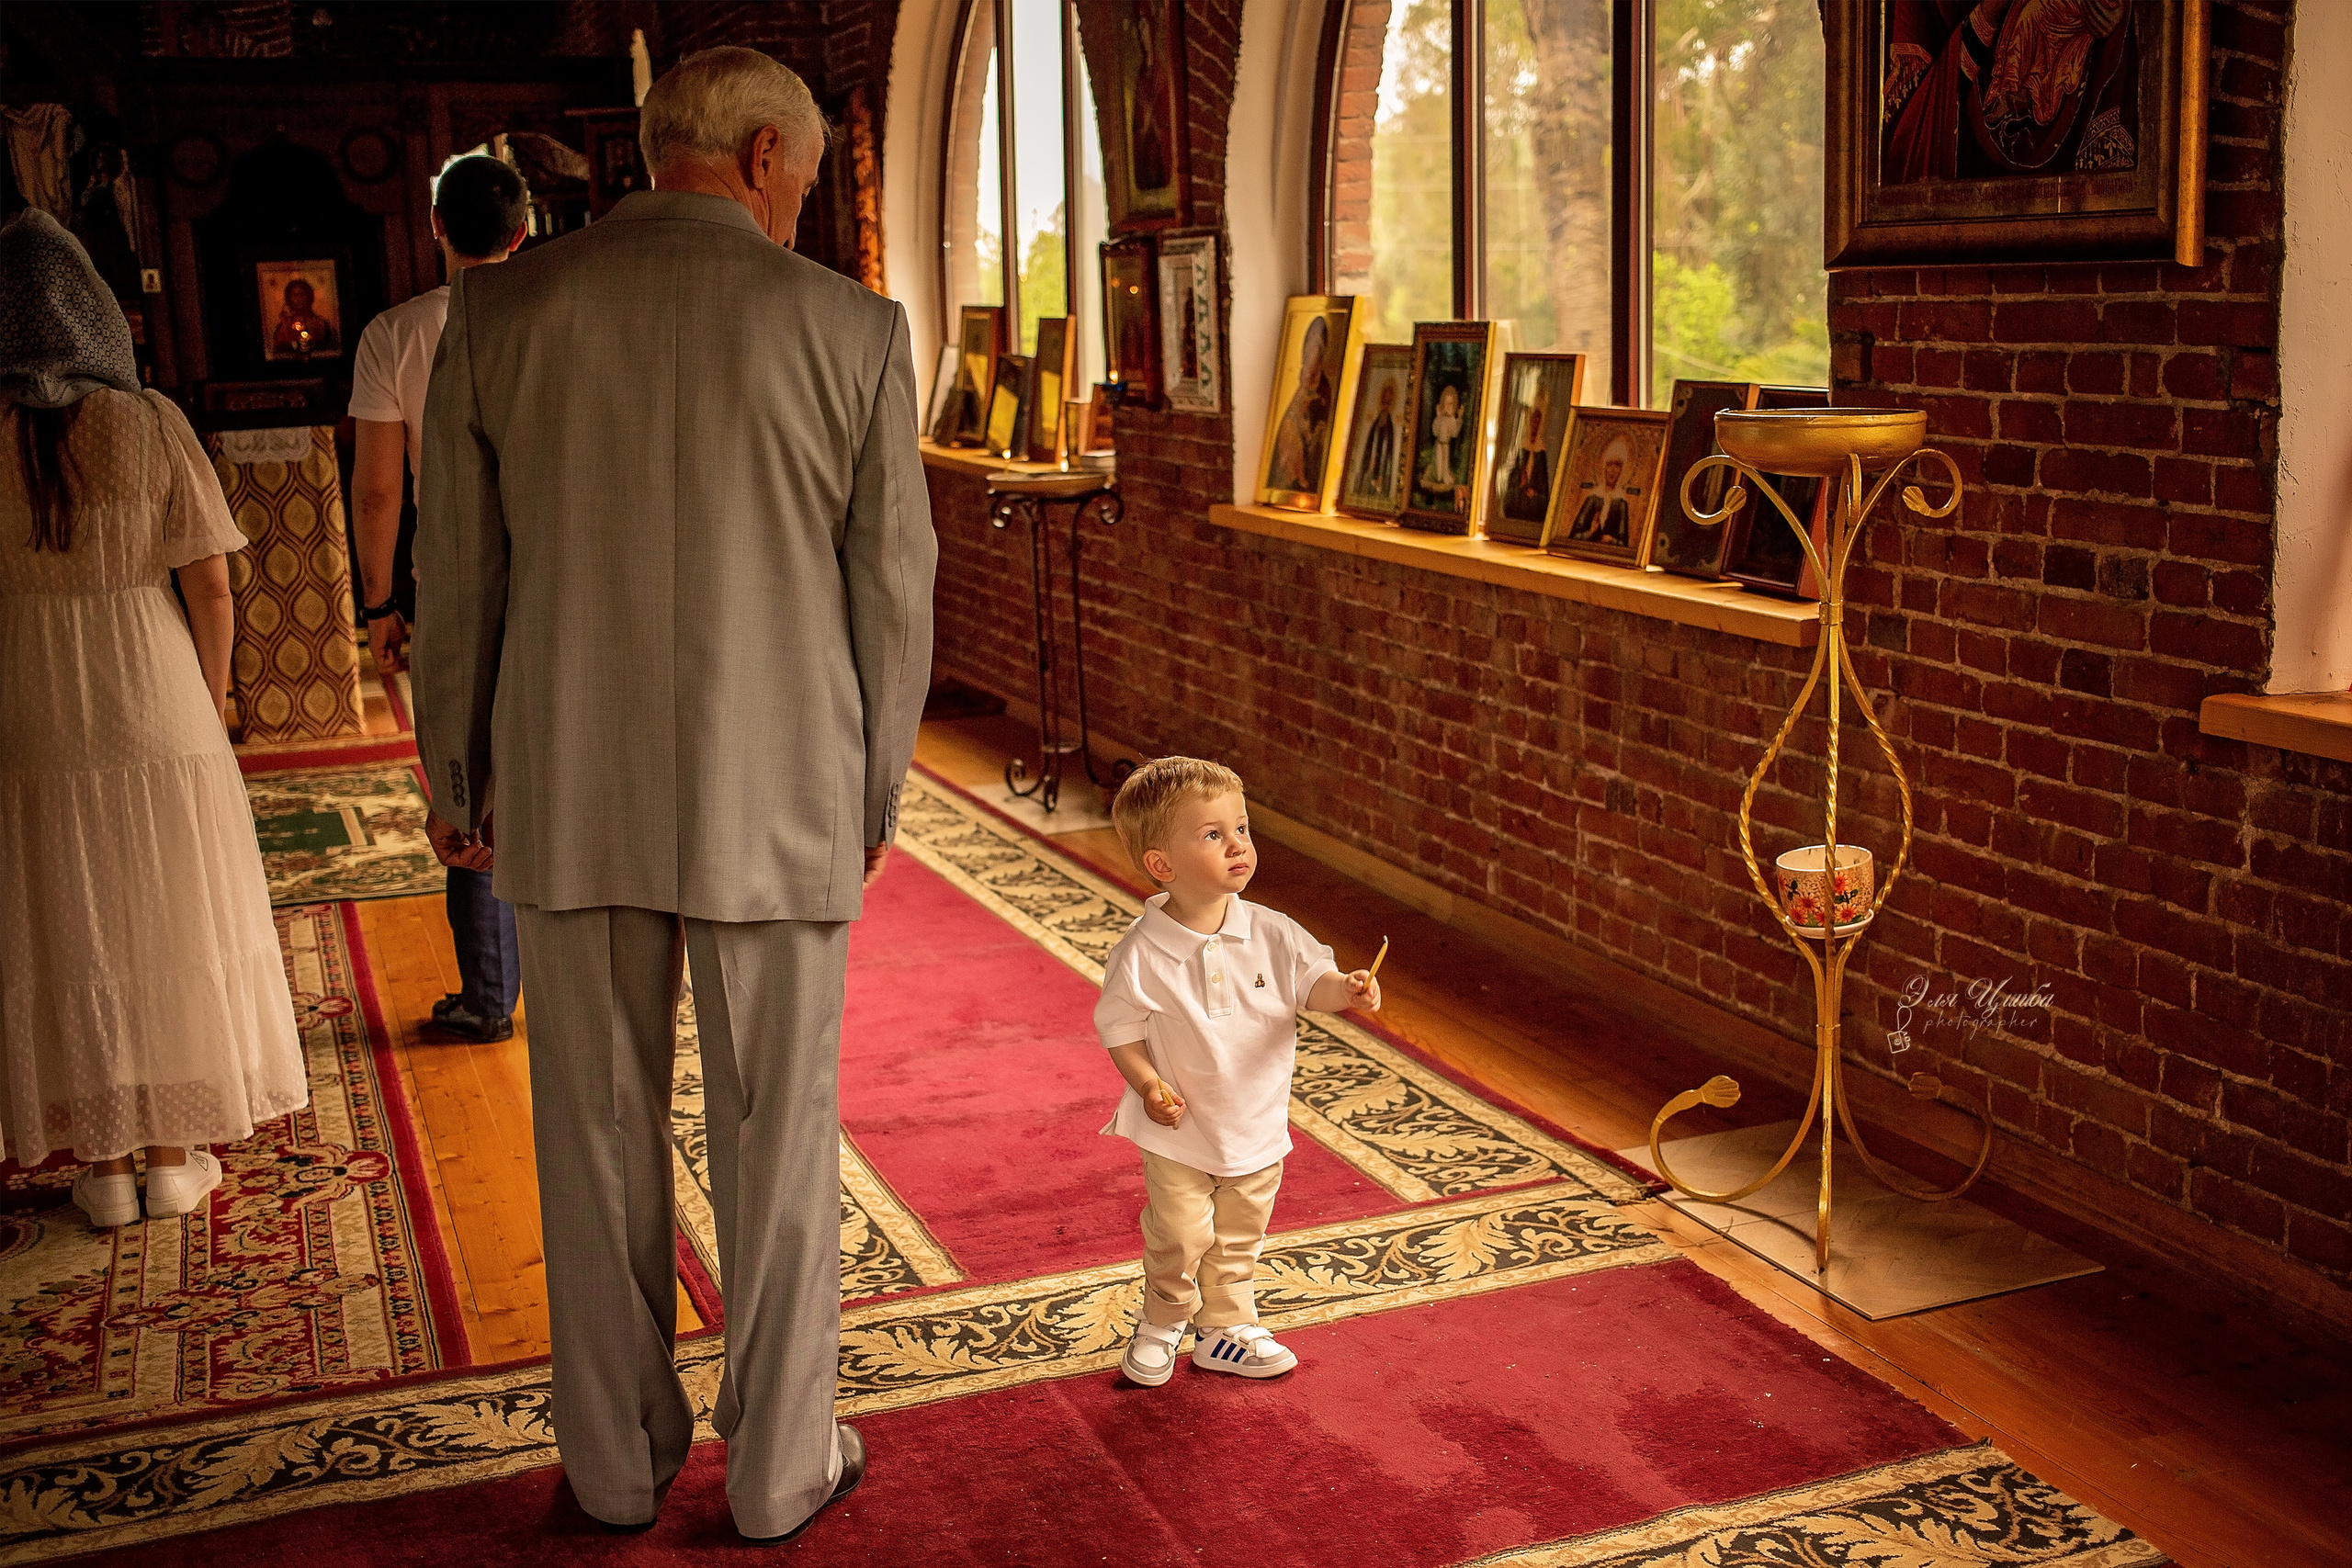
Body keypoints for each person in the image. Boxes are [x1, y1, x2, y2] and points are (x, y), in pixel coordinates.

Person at [413, 47, 934, 1544]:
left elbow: (461, 577)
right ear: (766, 154)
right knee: (780, 1134)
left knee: (589, 1129)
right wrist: (873, 787)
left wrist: (458, 767)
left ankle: (620, 1462)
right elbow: (891, 594)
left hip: (570, 787)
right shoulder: (850, 327)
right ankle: (779, 1470)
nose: (804, 204)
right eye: (810, 178)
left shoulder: (504, 309)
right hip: (780, 790)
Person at [0, 210, 307, 1227]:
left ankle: (101, 1166)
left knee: (67, 921)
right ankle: (176, 1158)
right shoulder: (149, 423)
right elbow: (212, 584)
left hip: (30, 703)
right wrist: (213, 706)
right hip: (152, 692)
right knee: (167, 913)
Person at [1095, 758, 1382, 1388]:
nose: (1238, 845)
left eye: (1242, 829)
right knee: (1179, 1232)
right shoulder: (1141, 952)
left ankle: (1224, 1329)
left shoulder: (1274, 933)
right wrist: (1146, 1085)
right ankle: (1164, 1317)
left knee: (1238, 1236)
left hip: (1254, 1125)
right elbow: (1119, 1029)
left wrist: (1349, 989)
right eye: (1213, 834)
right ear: (1161, 865)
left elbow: (1316, 984)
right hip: (1179, 1131)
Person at [348, 153, 531, 1044]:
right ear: (524, 231)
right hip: (552, 584)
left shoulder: (395, 335)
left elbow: (380, 490)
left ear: (436, 228)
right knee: (556, 767)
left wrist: (379, 604)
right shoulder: (559, 319)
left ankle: (488, 996)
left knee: (465, 773)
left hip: (453, 588)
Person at [1265, 313, 1332, 495]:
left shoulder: (1325, 395)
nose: (1309, 357)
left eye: (1315, 352)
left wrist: (1309, 434)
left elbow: (1322, 437)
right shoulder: (1297, 391)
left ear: (1321, 359)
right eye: (1307, 351)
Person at [1414, 378, 1471, 513]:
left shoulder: (1452, 420)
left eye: (1451, 405)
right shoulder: (1440, 419)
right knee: (1437, 467)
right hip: (1438, 445)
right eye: (1446, 404)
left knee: (1444, 469)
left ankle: (1442, 480)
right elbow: (1434, 430)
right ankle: (1437, 480)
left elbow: (1455, 432)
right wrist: (1437, 416)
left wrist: (1460, 417)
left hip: (1446, 446)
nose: (1448, 407)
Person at [1566, 437, 1634, 547]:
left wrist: (1611, 540)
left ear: (1622, 470)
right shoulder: (1593, 498)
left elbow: (1623, 543)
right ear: (1604, 467)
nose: (1612, 470)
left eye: (1617, 465)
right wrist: (1590, 533)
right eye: (1609, 464)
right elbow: (1574, 536)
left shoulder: (1621, 503)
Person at [1500, 385, 1553, 525]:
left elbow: (1544, 492)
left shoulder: (1541, 452)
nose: (1535, 423)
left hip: (1532, 515)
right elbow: (1511, 485)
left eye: (1538, 419)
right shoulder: (1521, 449)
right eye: (1533, 418)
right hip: (1515, 510)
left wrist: (1535, 496)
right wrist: (1520, 484)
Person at [270, 276, 337, 356]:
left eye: (301, 294)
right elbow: (277, 351)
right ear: (289, 298)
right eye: (294, 295)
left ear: (309, 296)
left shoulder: (321, 324)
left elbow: (329, 349)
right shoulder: (283, 327)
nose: (298, 299)